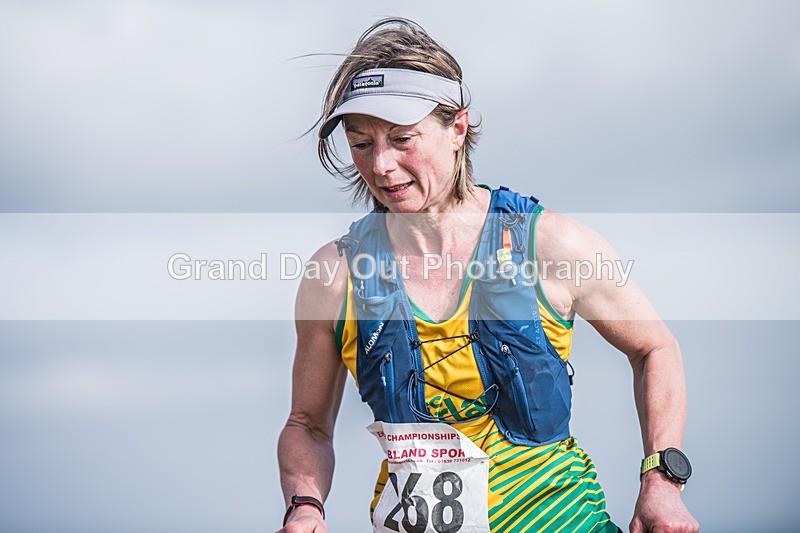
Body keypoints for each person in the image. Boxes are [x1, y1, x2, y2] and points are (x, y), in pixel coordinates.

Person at [277, 18, 699, 533]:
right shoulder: (335, 276)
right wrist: (305, 507)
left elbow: (655, 348)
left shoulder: (550, 245)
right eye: (361, 143)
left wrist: (661, 482)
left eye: (403, 139)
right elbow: (307, 425)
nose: (381, 164)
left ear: (457, 129)